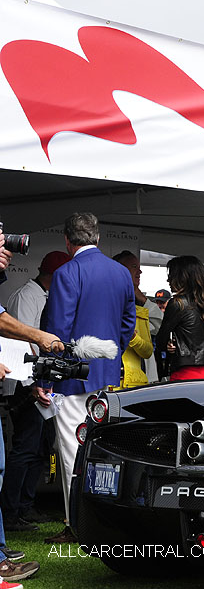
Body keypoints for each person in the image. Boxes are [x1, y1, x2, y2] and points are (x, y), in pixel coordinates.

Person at [44, 212, 136, 545]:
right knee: (103, 450)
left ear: (68, 242)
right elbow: (128, 324)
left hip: (72, 378)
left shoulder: (67, 272)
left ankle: (78, 525)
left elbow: (57, 331)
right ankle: (102, 519)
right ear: (96, 237)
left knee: (72, 450)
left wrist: (45, 378)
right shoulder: (121, 272)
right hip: (108, 375)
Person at [0, 235, 63, 583]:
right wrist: (40, 347)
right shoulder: (27, 296)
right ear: (54, 274)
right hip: (22, 382)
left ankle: (23, 507)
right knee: (23, 450)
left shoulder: (41, 294)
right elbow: (16, 338)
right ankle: (13, 511)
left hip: (34, 380)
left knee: (36, 449)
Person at [155, 256, 204, 381]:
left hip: (185, 370)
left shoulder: (178, 303)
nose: (168, 279)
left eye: (172, 275)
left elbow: (161, 340)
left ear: (183, 278)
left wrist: (168, 344)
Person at [112, 251, 154, 388]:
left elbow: (148, 351)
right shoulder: (101, 306)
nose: (140, 271)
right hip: (106, 383)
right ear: (120, 270)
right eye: (134, 266)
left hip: (133, 384)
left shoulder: (140, 311)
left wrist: (133, 339)